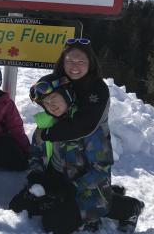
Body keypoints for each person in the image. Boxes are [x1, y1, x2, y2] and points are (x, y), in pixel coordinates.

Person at [9, 73, 144, 233]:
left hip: (83, 184)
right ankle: (108, 195)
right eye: (45, 102)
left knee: (55, 223)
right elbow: (36, 154)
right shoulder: (44, 127)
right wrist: (36, 176)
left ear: (66, 94)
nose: (50, 104)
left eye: (53, 97)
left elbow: (101, 169)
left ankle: (128, 207)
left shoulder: (87, 126)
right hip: (56, 179)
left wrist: (73, 189)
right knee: (18, 206)